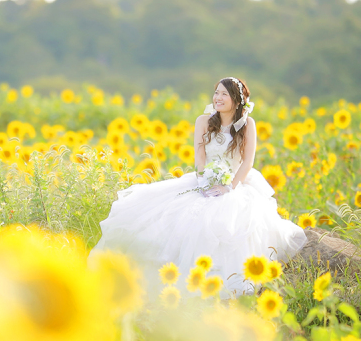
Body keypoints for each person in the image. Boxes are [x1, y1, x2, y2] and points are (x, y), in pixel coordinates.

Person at [89, 77, 307, 300]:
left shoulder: (248, 124)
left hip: (235, 182)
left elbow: (247, 162)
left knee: (233, 223)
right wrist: (206, 181)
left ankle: (226, 285)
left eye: (224, 94)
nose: (218, 98)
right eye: (216, 93)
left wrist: (229, 187)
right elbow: (200, 157)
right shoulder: (204, 121)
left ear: (237, 100)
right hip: (205, 179)